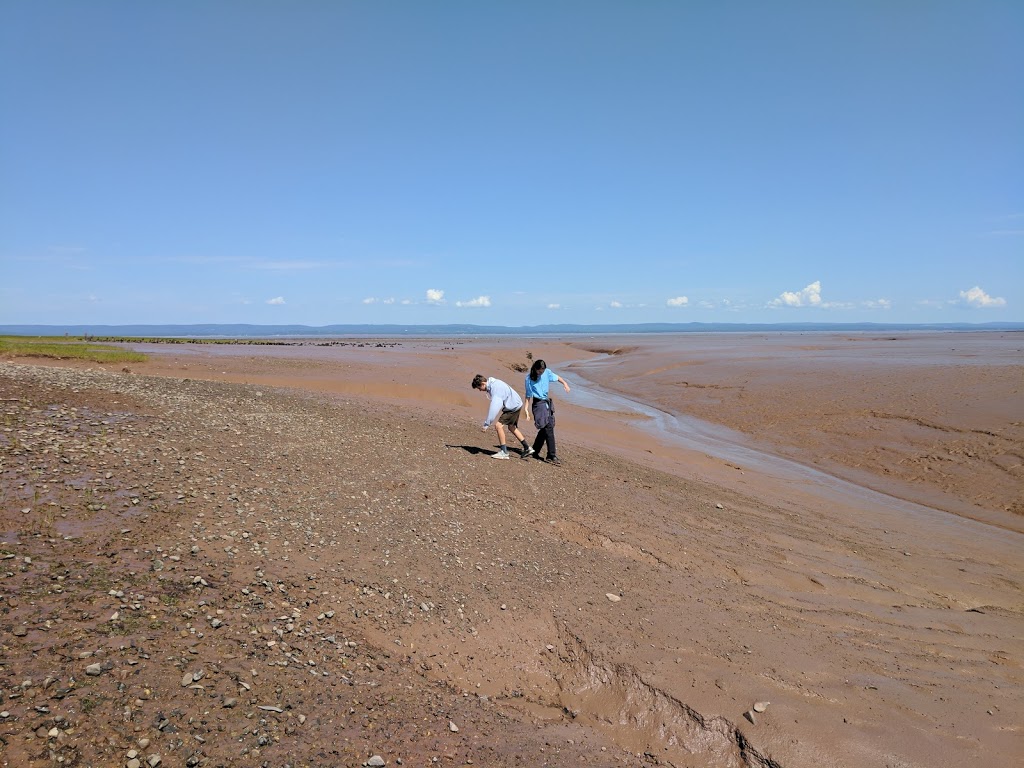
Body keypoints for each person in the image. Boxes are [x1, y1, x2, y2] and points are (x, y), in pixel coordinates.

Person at [471, 374, 535, 460]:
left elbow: (494, 408)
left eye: (479, 388)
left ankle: (504, 452)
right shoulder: (493, 383)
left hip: (513, 406)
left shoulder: (495, 388)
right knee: (511, 427)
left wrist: (486, 424)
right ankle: (527, 448)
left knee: (498, 426)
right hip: (517, 404)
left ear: (483, 384)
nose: (479, 390)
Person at [524, 359, 570, 465]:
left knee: (546, 428)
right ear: (535, 369)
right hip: (538, 404)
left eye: (543, 371)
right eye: (540, 371)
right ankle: (551, 455)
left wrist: (565, 384)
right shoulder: (529, 379)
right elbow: (528, 396)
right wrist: (526, 409)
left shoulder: (547, 372)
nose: (541, 373)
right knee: (547, 428)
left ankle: (535, 451)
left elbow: (557, 377)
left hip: (546, 403)